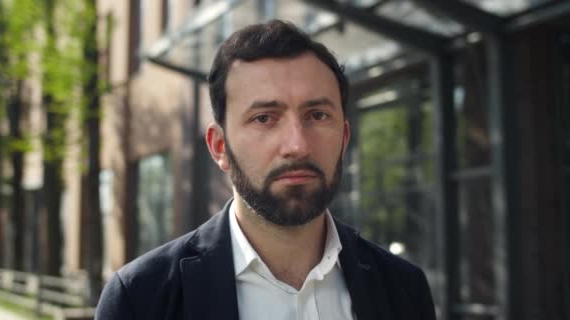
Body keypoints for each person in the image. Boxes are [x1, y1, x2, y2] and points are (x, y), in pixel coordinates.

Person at [96, 19, 436, 320]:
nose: (297, 145)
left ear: (345, 137)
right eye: (264, 119)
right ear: (219, 147)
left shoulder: (403, 288)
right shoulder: (142, 298)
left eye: (317, 115)